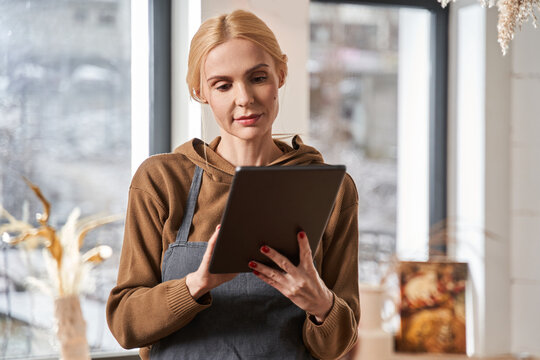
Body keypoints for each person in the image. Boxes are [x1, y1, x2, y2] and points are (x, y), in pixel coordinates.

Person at [106, 9, 359, 360]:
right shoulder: (162, 181)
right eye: (223, 85)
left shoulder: (332, 188)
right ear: (200, 92)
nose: (244, 98)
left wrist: (321, 304)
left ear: (281, 74)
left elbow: (336, 346)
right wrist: (198, 284)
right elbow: (125, 325)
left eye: (257, 78)